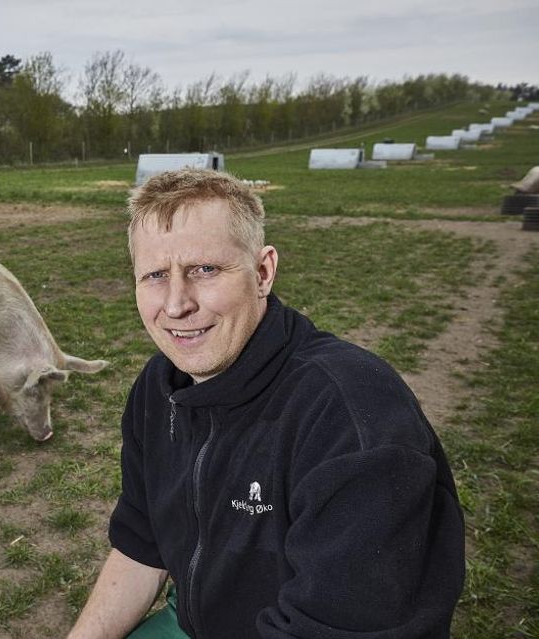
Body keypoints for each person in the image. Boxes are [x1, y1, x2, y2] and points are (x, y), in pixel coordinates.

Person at [67, 169, 465, 639]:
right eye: (155, 275)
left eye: (205, 269)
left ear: (263, 272)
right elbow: (142, 543)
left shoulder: (350, 415)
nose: (176, 304)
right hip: (195, 621)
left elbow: (340, 626)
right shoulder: (159, 388)